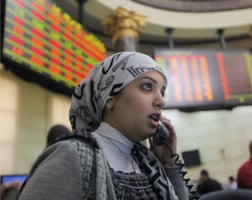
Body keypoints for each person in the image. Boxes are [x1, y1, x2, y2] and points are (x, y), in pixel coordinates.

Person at [18, 51, 189, 200]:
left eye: (162, 91)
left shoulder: (148, 162)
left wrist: (169, 165)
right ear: (110, 98)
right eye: (147, 87)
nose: (161, 101)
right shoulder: (71, 155)